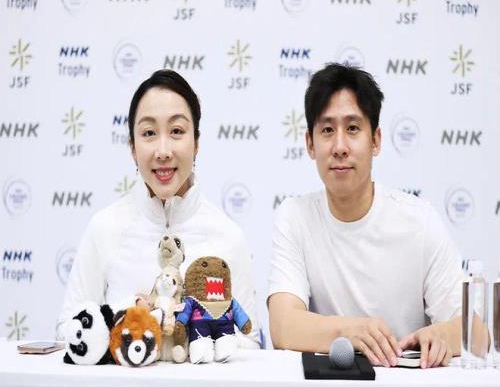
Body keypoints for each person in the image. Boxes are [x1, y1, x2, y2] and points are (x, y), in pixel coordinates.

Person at [267, 63, 463, 368]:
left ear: (376, 141)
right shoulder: (295, 217)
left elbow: (476, 330)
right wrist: (349, 331)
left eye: (353, 128)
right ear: (310, 144)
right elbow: (282, 326)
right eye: (327, 130)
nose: (340, 147)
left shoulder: (419, 221)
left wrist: (440, 335)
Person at [57, 69, 260, 348]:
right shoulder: (104, 227)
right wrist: (133, 312)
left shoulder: (228, 236)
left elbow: (250, 343)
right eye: (149, 133)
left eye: (176, 131)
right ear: (132, 147)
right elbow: (67, 332)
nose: (163, 151)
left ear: (196, 143)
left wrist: (195, 333)